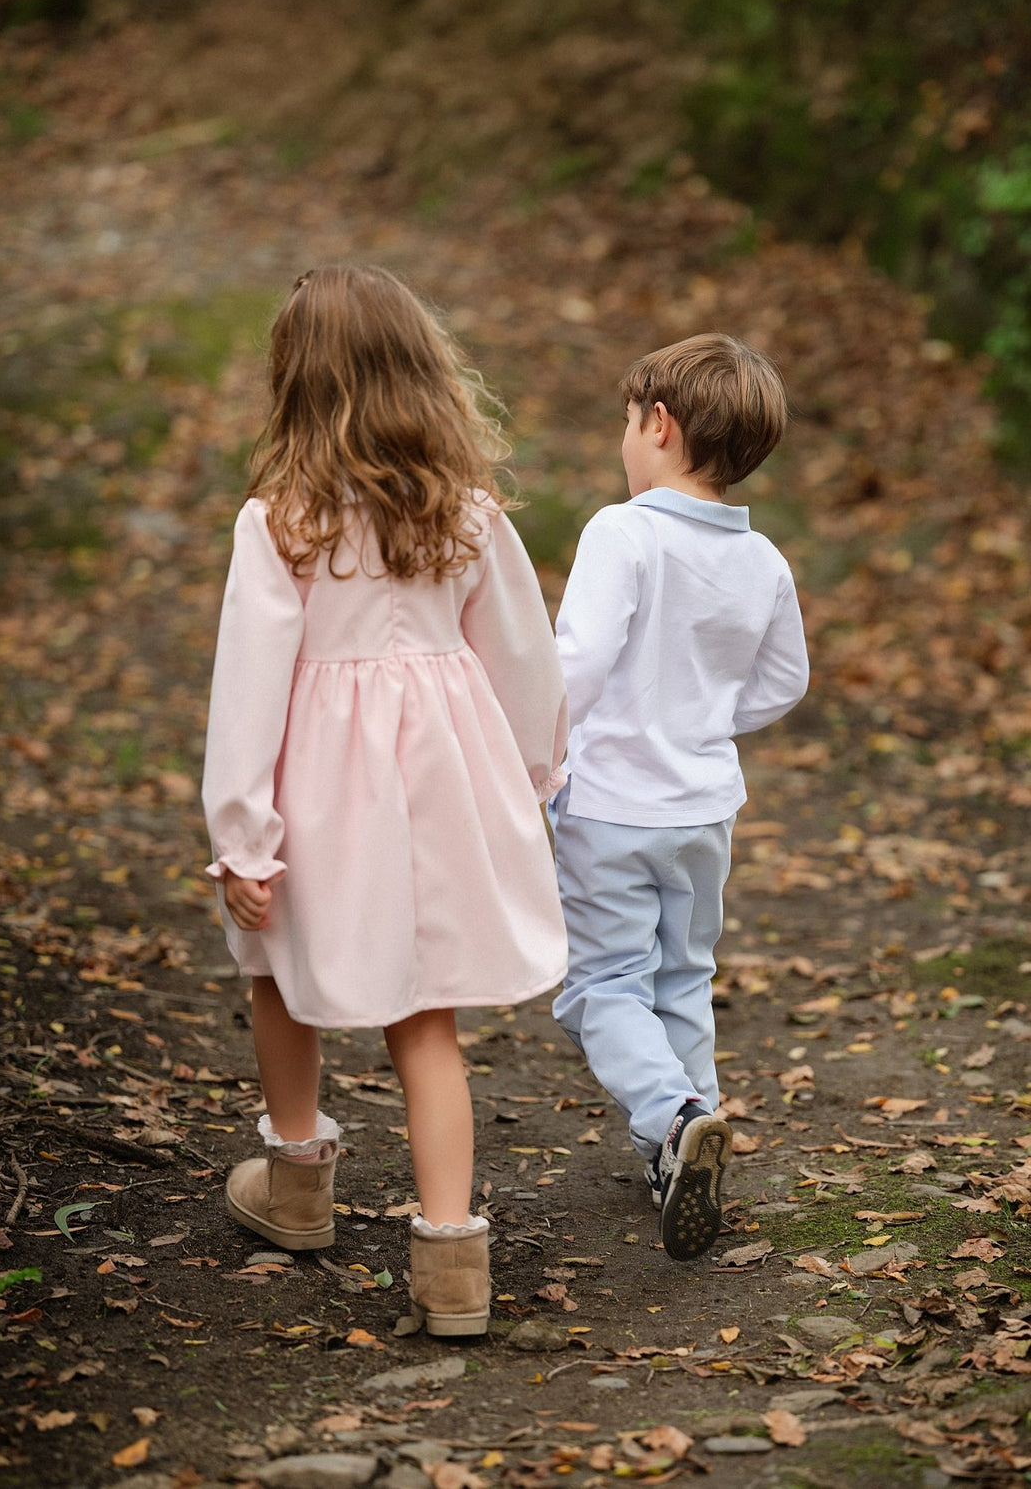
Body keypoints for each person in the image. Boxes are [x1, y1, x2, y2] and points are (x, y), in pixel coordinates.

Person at [202, 265, 568, 1336]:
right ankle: (452, 1259)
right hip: (444, 787)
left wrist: (243, 839)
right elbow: (525, 663)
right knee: (426, 1014)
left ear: (296, 386)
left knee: (275, 965)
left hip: (319, 795)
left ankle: (297, 1180)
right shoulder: (469, 516)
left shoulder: (280, 524)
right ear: (425, 376)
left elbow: (248, 694)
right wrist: (535, 776)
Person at [551, 333, 809, 1261]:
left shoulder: (622, 531)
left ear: (658, 424)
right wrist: (699, 717)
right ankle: (687, 1144)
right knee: (683, 974)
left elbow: (574, 664)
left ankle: (672, 1116)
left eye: (629, 419)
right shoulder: (764, 560)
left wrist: (532, 753)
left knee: (602, 984)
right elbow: (784, 682)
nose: (624, 436)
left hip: (611, 803)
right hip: (704, 808)